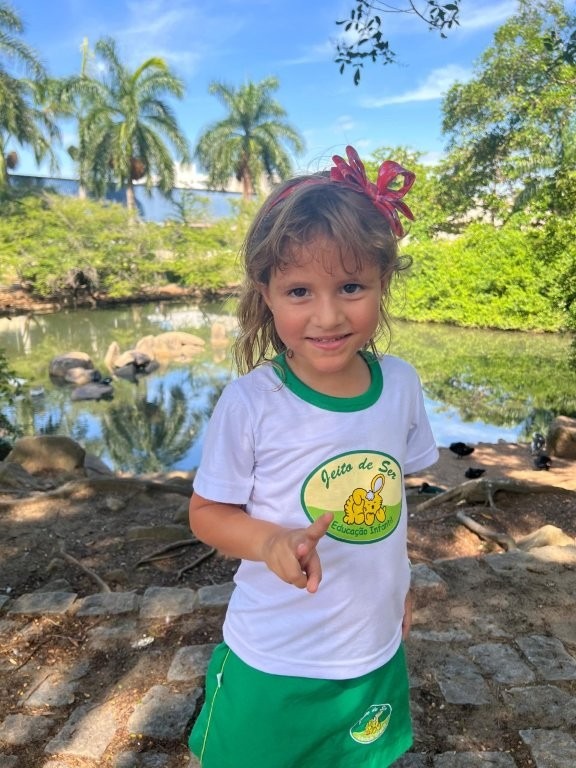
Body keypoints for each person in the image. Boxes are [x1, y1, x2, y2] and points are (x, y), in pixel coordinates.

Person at [187, 145, 439, 768]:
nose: (328, 316)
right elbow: (207, 513)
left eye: (351, 287)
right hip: (274, 655)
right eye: (299, 290)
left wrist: (400, 587)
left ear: (382, 283)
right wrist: (270, 541)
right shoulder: (252, 403)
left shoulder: (400, 384)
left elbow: (391, 506)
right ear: (267, 294)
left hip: (371, 652)